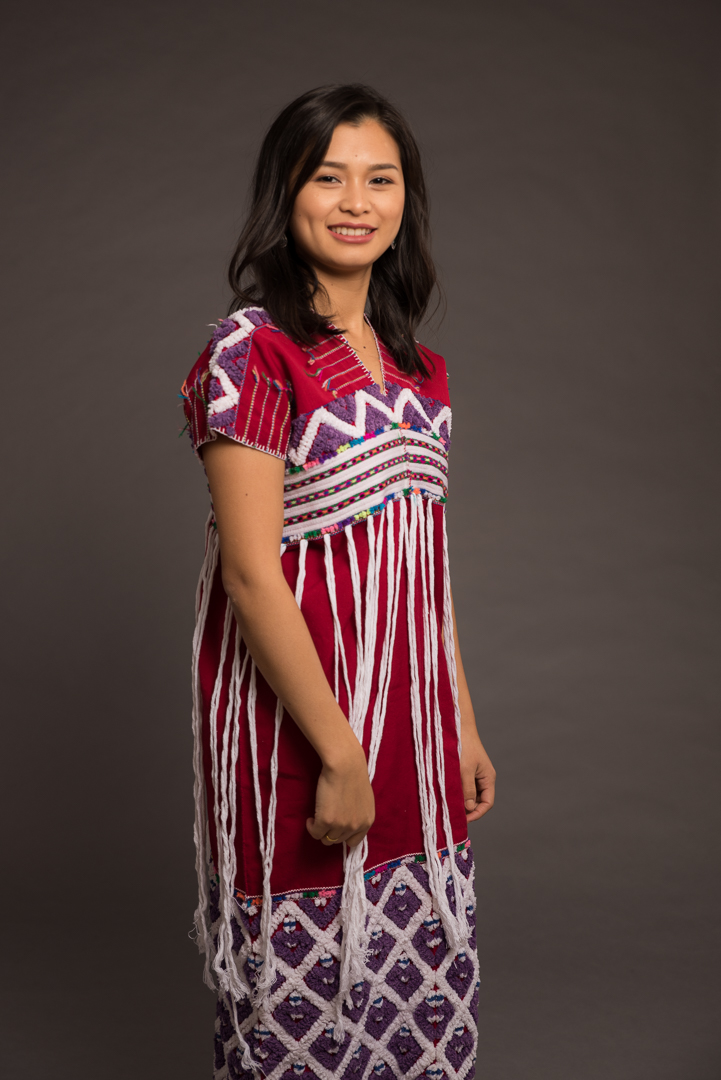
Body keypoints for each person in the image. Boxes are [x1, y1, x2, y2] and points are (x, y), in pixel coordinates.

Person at [181, 83, 496, 1080]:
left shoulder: (419, 369)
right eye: (328, 177)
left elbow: (422, 560)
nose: (356, 201)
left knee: (412, 1001)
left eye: (380, 179)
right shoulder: (253, 353)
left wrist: (459, 720)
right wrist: (340, 753)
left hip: (411, 730)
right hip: (301, 726)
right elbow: (249, 573)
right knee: (298, 1013)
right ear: (286, 194)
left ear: (407, 200)